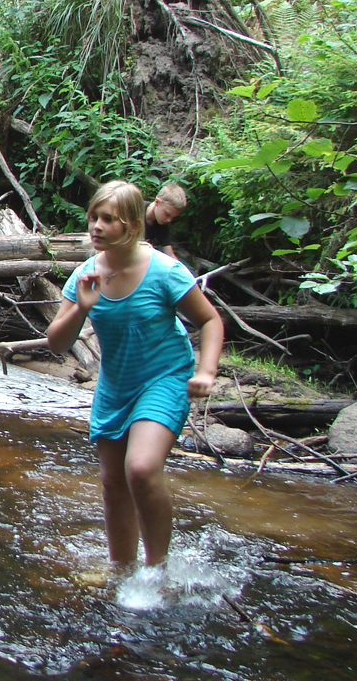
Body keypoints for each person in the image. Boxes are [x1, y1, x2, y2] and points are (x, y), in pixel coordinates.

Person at [46, 180, 223, 568]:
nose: (96, 226)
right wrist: (82, 307)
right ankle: (122, 573)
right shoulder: (85, 274)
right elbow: (57, 343)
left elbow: (210, 320)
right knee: (113, 484)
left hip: (164, 377)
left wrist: (207, 371)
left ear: (132, 225)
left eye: (108, 219)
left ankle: (156, 571)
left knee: (140, 469)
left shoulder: (165, 271)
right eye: (94, 217)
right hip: (115, 385)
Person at [144, 182, 187, 260]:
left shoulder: (162, 224)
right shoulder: (135, 210)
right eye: (167, 214)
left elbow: (170, 254)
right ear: (157, 202)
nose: (169, 220)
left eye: (173, 217)